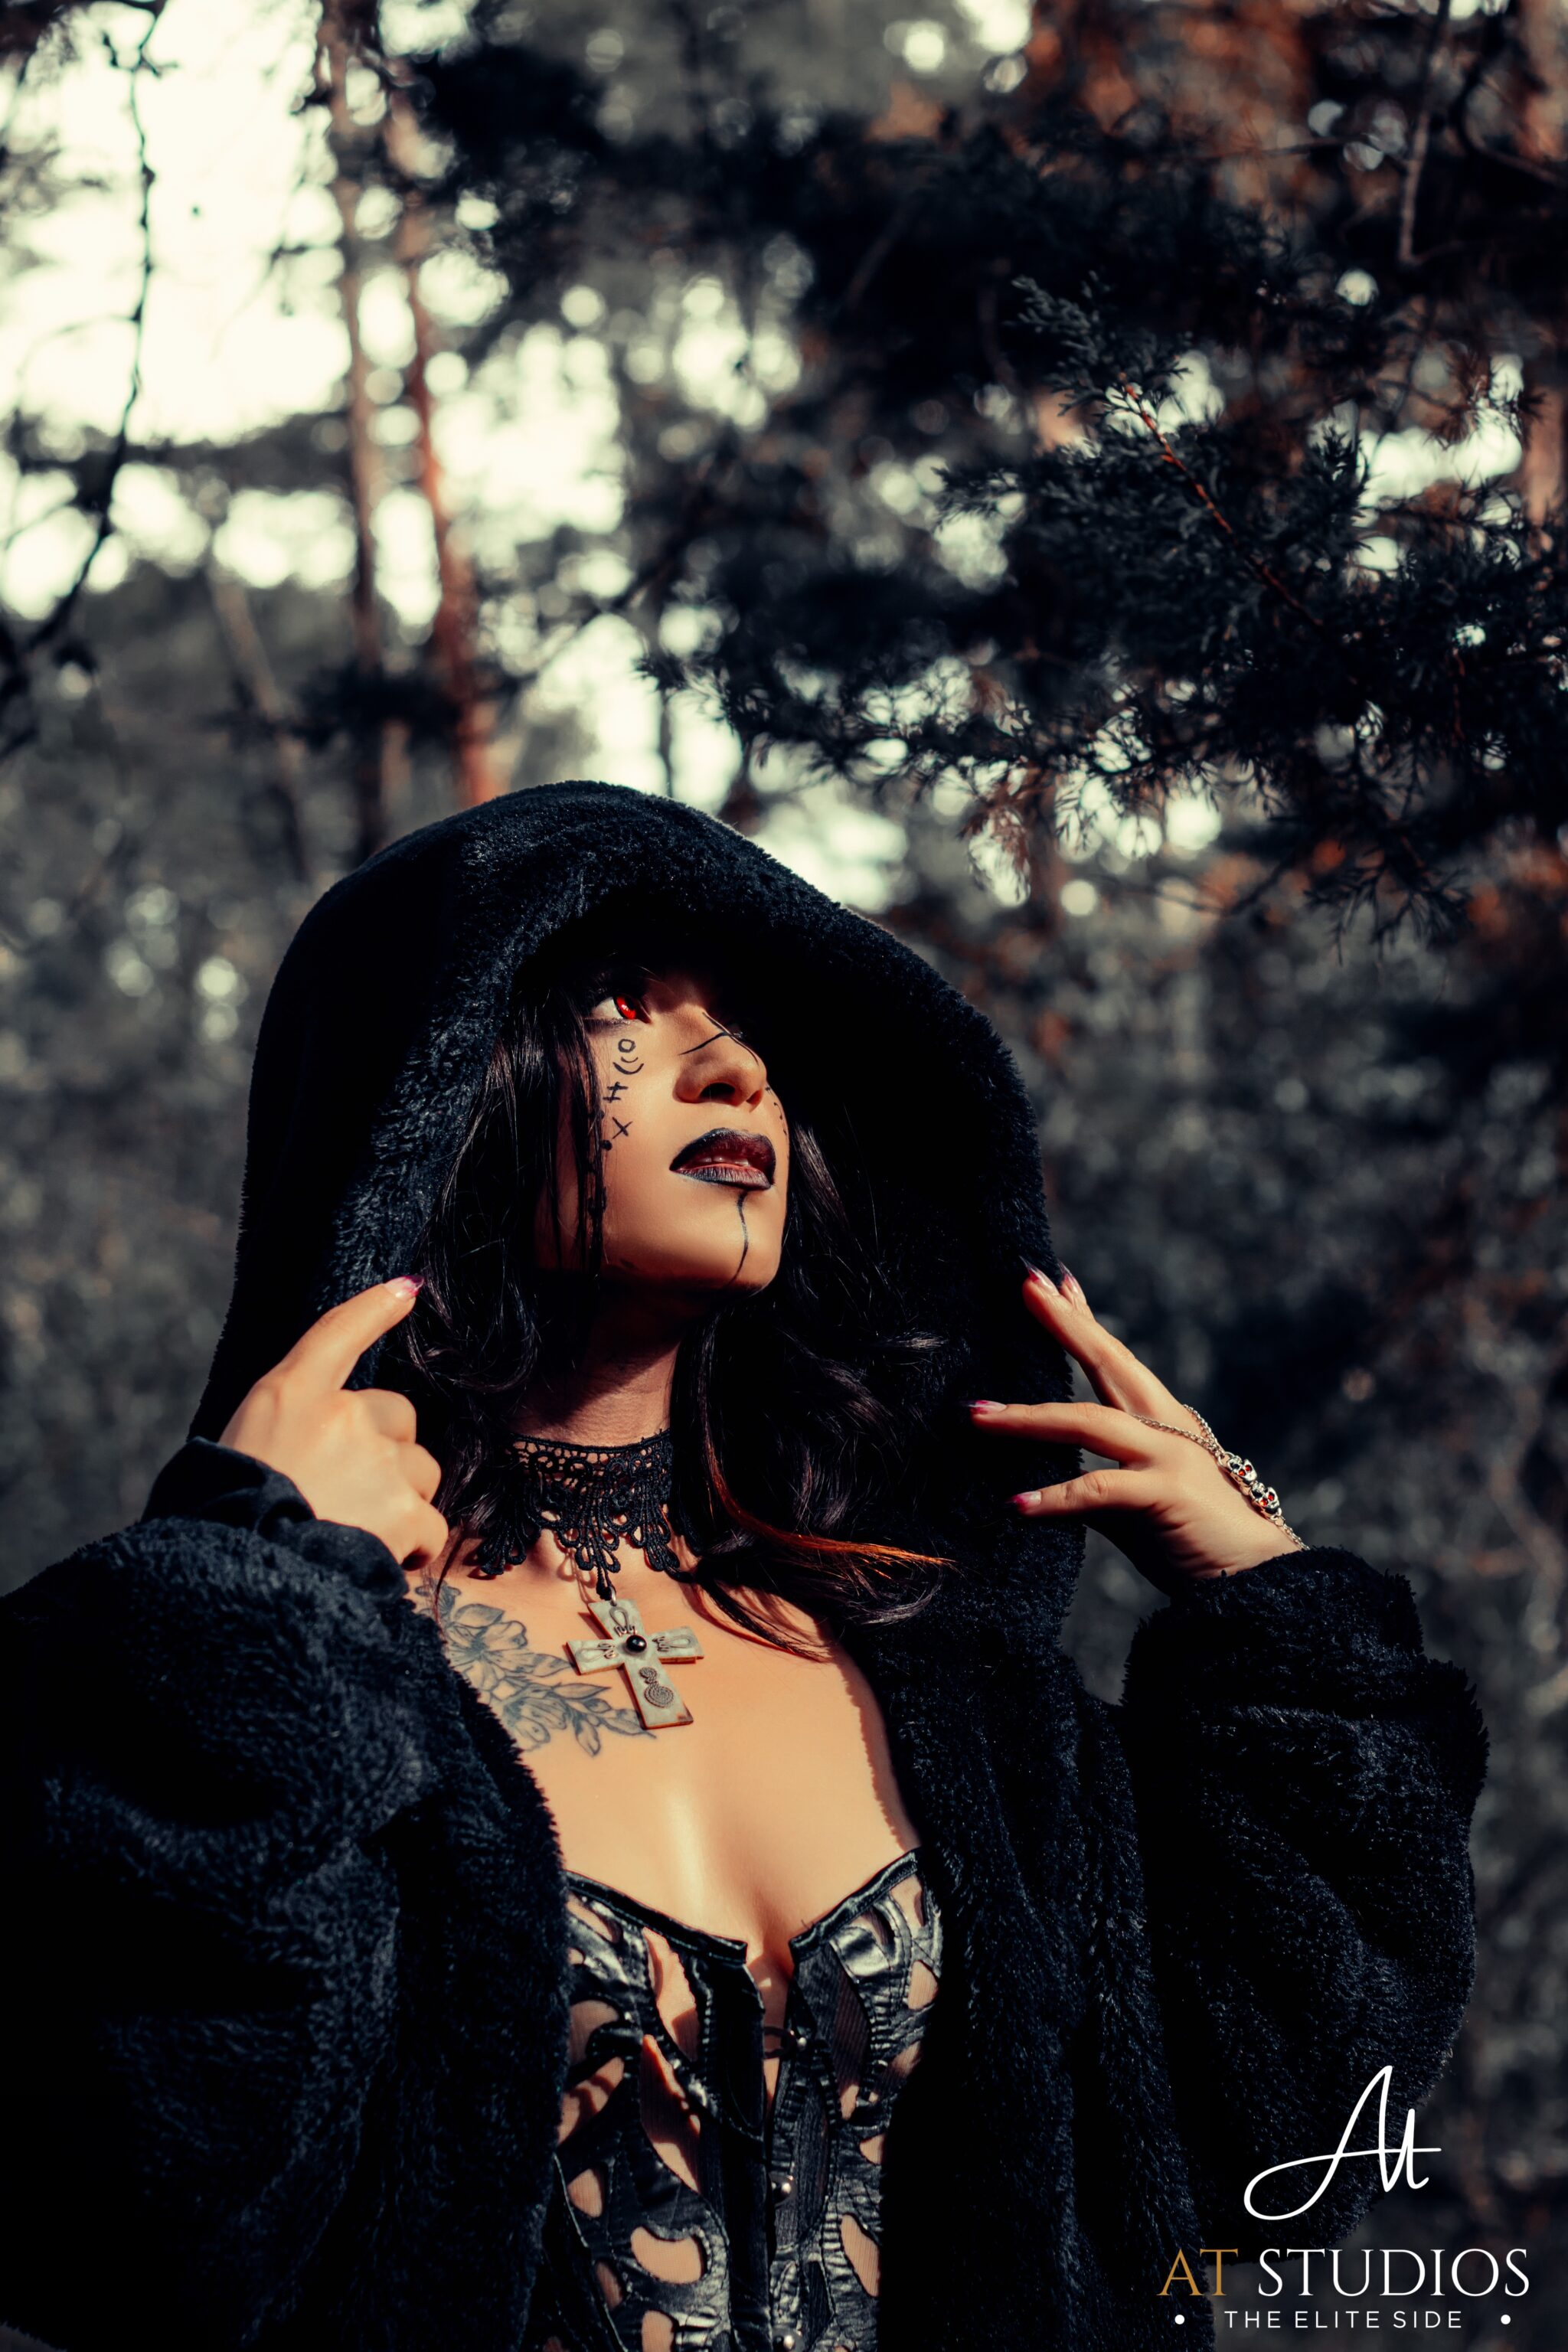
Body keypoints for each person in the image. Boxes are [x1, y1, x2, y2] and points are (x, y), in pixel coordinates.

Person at [2, 782, 1485, 2352]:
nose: (735, 1067)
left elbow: (1278, 2140)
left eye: (750, 1027)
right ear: (432, 1080)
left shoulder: (948, 1688)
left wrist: (1269, 1602)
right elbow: (113, 2213)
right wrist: (256, 1613)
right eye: (617, 1007)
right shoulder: (256, 1675)